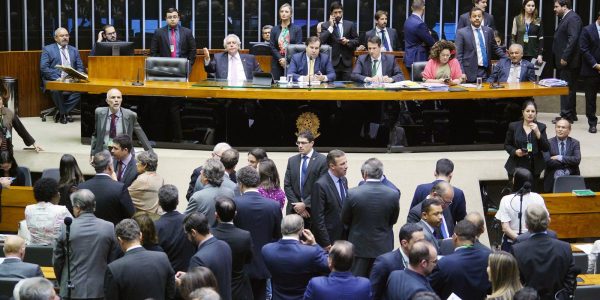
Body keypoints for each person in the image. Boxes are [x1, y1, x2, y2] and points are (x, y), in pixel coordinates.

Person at [53, 189, 118, 299]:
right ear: (94, 206)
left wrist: (63, 280)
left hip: (72, 289)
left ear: (77, 207)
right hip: (100, 289)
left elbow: (57, 261)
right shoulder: (109, 227)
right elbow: (113, 260)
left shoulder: (66, 228)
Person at [341, 158, 400, 277]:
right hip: (383, 247)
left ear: (364, 174)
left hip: (359, 247)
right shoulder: (393, 193)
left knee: (357, 282)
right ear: (381, 173)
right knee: (380, 284)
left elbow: (344, 219)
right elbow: (393, 220)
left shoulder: (353, 193)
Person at [233, 166, 282, 300]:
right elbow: (278, 236)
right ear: (258, 182)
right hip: (264, 264)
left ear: (240, 184)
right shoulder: (273, 205)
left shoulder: (235, 204)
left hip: (239, 266)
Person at [512, 204, 577, 300]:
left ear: (526, 224)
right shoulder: (565, 247)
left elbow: (516, 281)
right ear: (548, 221)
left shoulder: (517, 250)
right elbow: (571, 278)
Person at [105, 219, 176, 300]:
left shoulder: (114, 269)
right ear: (141, 236)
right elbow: (171, 292)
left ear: (120, 241)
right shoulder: (162, 258)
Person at [262, 214, 329, 299]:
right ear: (301, 230)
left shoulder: (267, 249)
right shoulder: (311, 252)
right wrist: (315, 244)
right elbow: (329, 264)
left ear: (281, 228)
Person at [429, 220, 492, 300]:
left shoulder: (444, 263)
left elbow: (430, 290)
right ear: (475, 238)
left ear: (455, 237)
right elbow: (491, 288)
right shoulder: (488, 258)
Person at [495, 167, 547, 252]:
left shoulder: (506, 199)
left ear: (517, 181)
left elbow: (505, 228)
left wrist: (520, 240)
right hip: (533, 242)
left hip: (513, 242)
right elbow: (547, 219)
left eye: (514, 178)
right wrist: (527, 240)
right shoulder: (538, 197)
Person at [90, 88, 152, 158]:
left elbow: (141, 135)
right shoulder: (99, 113)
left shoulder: (130, 115)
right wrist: (93, 153)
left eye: (118, 97)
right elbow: (96, 135)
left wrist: (151, 154)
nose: (116, 100)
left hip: (122, 153)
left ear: (121, 100)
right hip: (104, 152)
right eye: (113, 97)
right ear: (107, 101)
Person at [40, 27, 84, 123]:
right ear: (56, 38)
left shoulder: (74, 50)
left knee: (83, 90)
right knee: (55, 90)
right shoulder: (48, 49)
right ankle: (64, 113)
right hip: (55, 79)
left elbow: (80, 67)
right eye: (62, 36)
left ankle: (61, 112)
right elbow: (44, 68)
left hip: (72, 80)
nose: (65, 37)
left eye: (67, 35)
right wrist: (58, 78)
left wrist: (77, 76)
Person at [183, 212, 232, 300]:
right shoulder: (225, 245)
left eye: (187, 234)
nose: (188, 238)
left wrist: (183, 282)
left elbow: (194, 293)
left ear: (193, 232)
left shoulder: (198, 259)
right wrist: (189, 276)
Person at [283, 130, 328, 227]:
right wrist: (297, 206)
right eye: (298, 143)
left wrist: (305, 204)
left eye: (303, 143)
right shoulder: (292, 160)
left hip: (312, 211)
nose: (300, 146)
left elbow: (321, 187)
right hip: (294, 211)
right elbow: (287, 185)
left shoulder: (322, 160)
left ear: (312, 143)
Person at [212, 197, 253, 300]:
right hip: (238, 288)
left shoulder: (209, 235)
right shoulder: (244, 235)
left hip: (215, 288)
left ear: (216, 215)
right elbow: (249, 259)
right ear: (235, 214)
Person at [78, 150, 134, 225]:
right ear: (110, 167)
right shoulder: (120, 188)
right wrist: (117, 182)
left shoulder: (81, 187)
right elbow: (131, 213)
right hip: (113, 233)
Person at [369, 223, 425, 300]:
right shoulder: (385, 262)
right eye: (418, 242)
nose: (423, 245)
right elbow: (373, 294)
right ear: (404, 243)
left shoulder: (423, 260)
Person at [304, 240, 371, 299]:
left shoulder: (316, 284)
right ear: (352, 262)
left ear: (330, 262)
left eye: (328, 256)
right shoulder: (364, 285)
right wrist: (315, 244)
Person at [456, 7, 507, 82]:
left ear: (482, 18)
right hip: (468, 72)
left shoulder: (489, 31)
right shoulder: (462, 33)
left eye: (479, 16)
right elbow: (458, 55)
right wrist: (462, 72)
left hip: (485, 71)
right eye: (474, 16)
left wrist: (507, 58)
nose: (477, 18)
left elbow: (495, 48)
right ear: (470, 18)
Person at [503, 100, 550, 183]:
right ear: (523, 112)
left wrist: (538, 133)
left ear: (536, 113)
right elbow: (507, 145)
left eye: (533, 111)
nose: (530, 113)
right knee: (516, 193)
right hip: (516, 165)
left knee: (531, 194)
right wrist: (515, 151)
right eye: (527, 111)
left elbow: (546, 148)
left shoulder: (541, 127)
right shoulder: (513, 126)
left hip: (534, 167)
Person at [410, 158, 467, 225]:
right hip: (449, 234)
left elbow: (412, 216)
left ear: (435, 173)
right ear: (451, 175)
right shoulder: (458, 193)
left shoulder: (421, 189)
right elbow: (463, 222)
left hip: (423, 233)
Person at [311, 149, 348, 250]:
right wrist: (325, 242)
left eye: (346, 162)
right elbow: (318, 218)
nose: (346, 166)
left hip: (344, 236)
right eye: (342, 164)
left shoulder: (344, 180)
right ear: (332, 166)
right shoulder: (320, 185)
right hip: (329, 239)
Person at [552, 0, 582, 124]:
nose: (554, 9)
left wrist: (565, 57)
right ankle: (571, 114)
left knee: (565, 88)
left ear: (564, 7)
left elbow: (573, 39)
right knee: (570, 88)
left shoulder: (572, 18)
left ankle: (565, 116)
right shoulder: (568, 17)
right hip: (568, 61)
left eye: (556, 6)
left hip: (568, 61)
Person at [155, 185, 196, 272]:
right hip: (188, 274)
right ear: (178, 201)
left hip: (167, 274)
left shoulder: (156, 226)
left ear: (159, 203)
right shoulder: (190, 221)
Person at [185, 158, 235, 226]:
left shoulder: (197, 197)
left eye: (202, 171)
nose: (200, 172)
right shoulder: (230, 193)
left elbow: (185, 219)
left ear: (205, 177)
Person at [25, 178, 72, 245]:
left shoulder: (28, 209)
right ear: (54, 194)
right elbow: (73, 229)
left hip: (34, 250)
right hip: (56, 252)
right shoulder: (62, 210)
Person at [319, 1, 359, 81]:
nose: (338, 15)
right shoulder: (325, 25)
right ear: (331, 13)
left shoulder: (350, 24)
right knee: (332, 88)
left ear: (342, 12)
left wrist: (347, 41)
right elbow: (321, 40)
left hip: (347, 62)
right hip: (332, 63)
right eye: (335, 12)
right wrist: (331, 27)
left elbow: (357, 41)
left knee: (347, 88)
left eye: (340, 12)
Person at [0, 82, 42, 155]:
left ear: (2, 100)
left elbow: (21, 129)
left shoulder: (8, 113)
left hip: (7, 150)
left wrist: (34, 144)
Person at [543, 119, 581, 192]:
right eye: (558, 127)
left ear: (569, 130)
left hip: (571, 176)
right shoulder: (547, 143)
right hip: (552, 178)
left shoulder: (575, 143)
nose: (560, 129)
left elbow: (577, 160)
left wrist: (560, 158)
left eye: (563, 127)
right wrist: (569, 162)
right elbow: (547, 161)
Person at [269, 3, 303, 80]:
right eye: (282, 11)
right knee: (276, 86)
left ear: (291, 14)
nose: (283, 13)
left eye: (286, 12)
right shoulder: (274, 29)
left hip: (292, 62)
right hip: (277, 61)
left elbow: (298, 46)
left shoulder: (297, 29)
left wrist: (286, 60)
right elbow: (272, 46)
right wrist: (281, 59)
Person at [579, 10, 600, 133]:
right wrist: (595, 65)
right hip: (591, 70)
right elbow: (584, 49)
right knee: (590, 98)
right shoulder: (587, 30)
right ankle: (592, 123)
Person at [128, 150, 164, 216]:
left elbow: (124, 195)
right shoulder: (160, 178)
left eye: (138, 162)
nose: (136, 164)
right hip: (156, 216)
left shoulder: (142, 179)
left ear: (145, 165)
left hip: (142, 218)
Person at [403, 0, 436, 69]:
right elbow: (431, 42)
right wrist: (428, 34)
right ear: (423, 8)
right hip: (418, 59)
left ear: (412, 8)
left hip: (409, 58)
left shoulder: (407, 20)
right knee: (419, 80)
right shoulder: (420, 24)